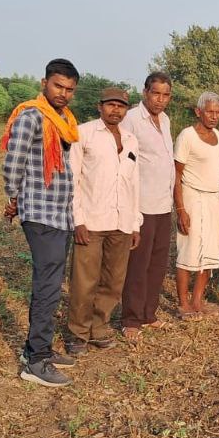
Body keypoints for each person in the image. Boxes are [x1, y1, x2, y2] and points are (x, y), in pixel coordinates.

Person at [1, 58, 81, 387]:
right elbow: (12, 164)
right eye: (57, 86)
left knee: (50, 283)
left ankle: (39, 349)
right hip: (40, 212)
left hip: (61, 213)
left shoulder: (63, 121)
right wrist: (15, 199)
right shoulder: (31, 117)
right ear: (44, 83)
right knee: (47, 286)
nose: (63, 93)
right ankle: (35, 361)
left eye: (69, 89)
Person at [67, 88, 142, 354]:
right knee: (84, 281)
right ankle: (77, 332)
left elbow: (134, 183)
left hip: (121, 222)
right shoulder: (84, 133)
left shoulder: (131, 140)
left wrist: (135, 223)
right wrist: (77, 220)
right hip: (91, 220)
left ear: (126, 109)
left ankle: (99, 327)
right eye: (110, 105)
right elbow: (72, 179)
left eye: (121, 106)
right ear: (100, 107)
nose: (115, 110)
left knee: (113, 281)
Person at [119, 72, 178, 339]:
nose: (160, 100)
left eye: (165, 95)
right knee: (137, 265)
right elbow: (125, 164)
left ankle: (148, 314)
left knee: (157, 263)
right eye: (156, 93)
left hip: (163, 204)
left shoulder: (164, 120)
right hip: (141, 204)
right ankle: (131, 319)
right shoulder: (131, 119)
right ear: (145, 92)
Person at [174, 92, 219, 320]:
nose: (214, 116)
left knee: (210, 250)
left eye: (217, 112)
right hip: (192, 198)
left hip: (214, 199)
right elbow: (176, 175)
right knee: (189, 249)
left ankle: (197, 299)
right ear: (198, 112)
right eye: (209, 112)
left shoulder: (216, 134)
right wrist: (181, 209)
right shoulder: (187, 136)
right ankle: (183, 303)